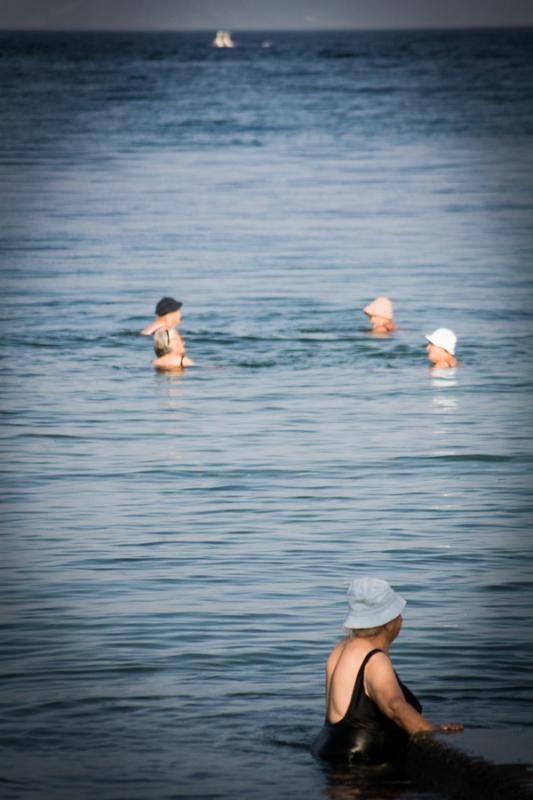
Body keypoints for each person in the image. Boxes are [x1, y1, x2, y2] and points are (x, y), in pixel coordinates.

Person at [312, 577, 462, 767]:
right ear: (388, 623)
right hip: (363, 767)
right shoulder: (375, 660)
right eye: (398, 613)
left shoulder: (340, 649)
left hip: (328, 753)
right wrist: (434, 733)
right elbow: (396, 708)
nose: (402, 618)